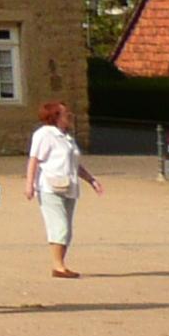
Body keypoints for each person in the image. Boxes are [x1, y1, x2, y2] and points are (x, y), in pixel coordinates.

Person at [24, 100, 104, 279]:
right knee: (59, 226)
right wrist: (29, 184)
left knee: (66, 228)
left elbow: (75, 164)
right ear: (55, 117)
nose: (70, 116)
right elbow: (34, 160)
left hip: (69, 186)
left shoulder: (67, 137)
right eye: (66, 114)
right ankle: (58, 266)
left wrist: (91, 180)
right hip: (50, 187)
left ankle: (60, 263)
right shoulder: (44, 134)